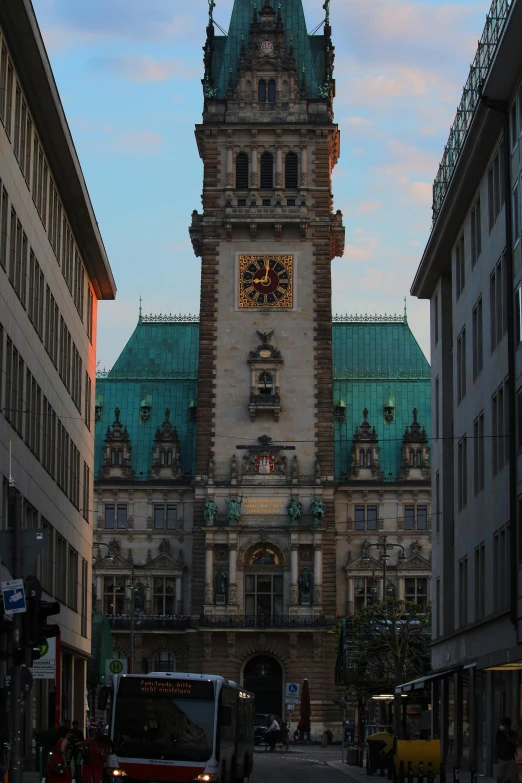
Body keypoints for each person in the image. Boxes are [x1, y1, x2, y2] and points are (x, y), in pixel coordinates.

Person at [496, 717, 518, 783]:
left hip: (511, 759)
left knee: (511, 779)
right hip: (501, 759)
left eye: (502, 724)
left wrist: (507, 735)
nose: (501, 726)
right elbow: (497, 743)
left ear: (507, 725)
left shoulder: (513, 733)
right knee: (500, 777)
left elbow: (515, 742)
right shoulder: (499, 733)